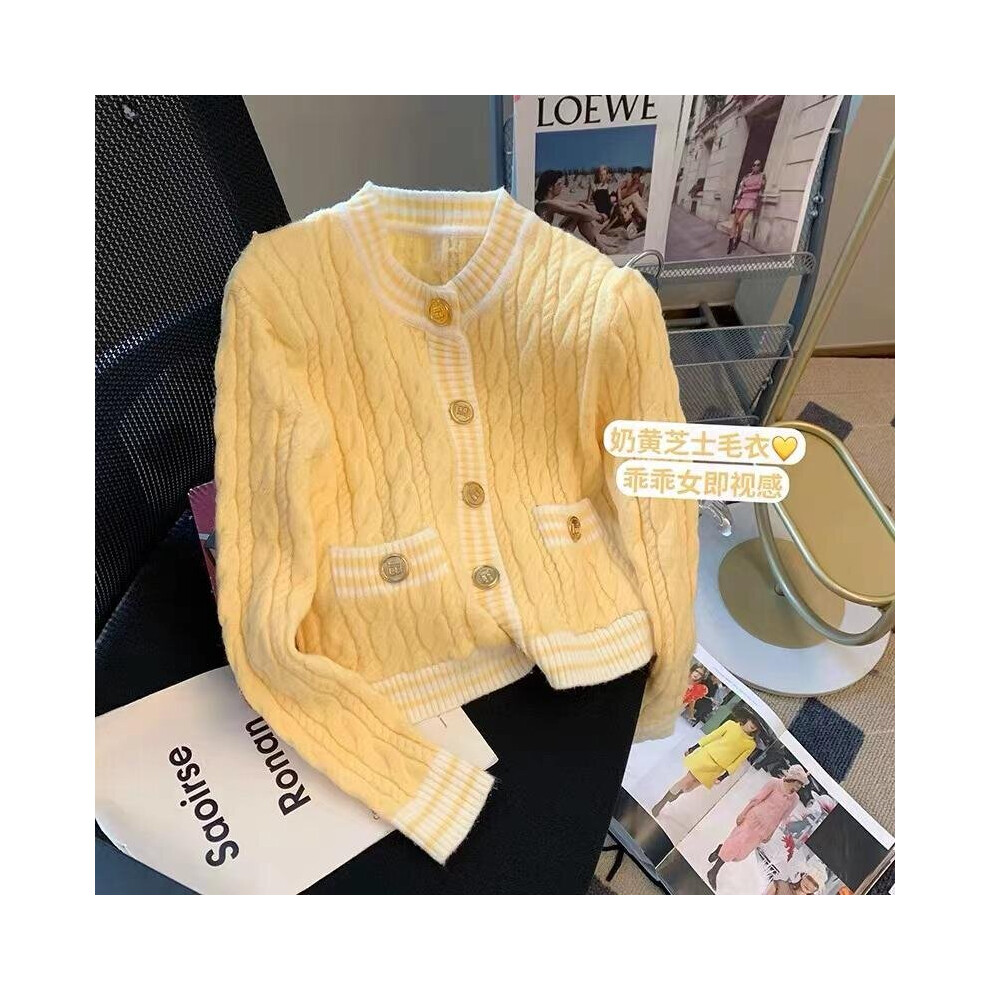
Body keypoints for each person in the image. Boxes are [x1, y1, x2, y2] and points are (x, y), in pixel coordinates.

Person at [706, 764, 810, 890]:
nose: (799, 787)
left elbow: (782, 818)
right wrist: (743, 813)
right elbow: (757, 799)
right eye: (799, 783)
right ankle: (713, 871)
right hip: (753, 819)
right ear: (793, 779)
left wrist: (770, 833)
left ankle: (720, 850)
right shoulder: (774, 783)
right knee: (735, 844)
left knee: (741, 852)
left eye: (801, 784)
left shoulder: (795, 799)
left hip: (764, 829)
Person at [650, 709, 761, 817]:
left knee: (689, 787)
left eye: (757, 725)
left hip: (717, 769)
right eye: (753, 721)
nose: (754, 725)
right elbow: (712, 736)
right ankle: (661, 804)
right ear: (748, 718)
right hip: (707, 757)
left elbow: (738, 761)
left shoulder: (751, 744)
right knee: (686, 780)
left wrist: (723, 776)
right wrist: (694, 747)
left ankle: (676, 793)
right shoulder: (731, 725)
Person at [534, 169, 622, 254]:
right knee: (577, 213)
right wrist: (599, 217)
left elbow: (578, 204)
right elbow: (568, 209)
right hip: (545, 247)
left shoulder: (549, 202)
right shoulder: (546, 204)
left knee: (578, 210)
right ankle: (601, 246)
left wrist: (597, 213)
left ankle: (600, 245)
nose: (562, 186)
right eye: (559, 184)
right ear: (550, 187)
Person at [727, 159, 765, 254]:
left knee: (740, 221)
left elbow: (759, 187)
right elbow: (741, 187)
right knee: (735, 221)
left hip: (751, 200)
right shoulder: (747, 176)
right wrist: (744, 191)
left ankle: (739, 237)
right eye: (754, 165)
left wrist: (746, 189)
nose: (756, 166)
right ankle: (730, 242)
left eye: (758, 165)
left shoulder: (762, 176)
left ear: (760, 166)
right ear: (752, 166)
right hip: (742, 199)